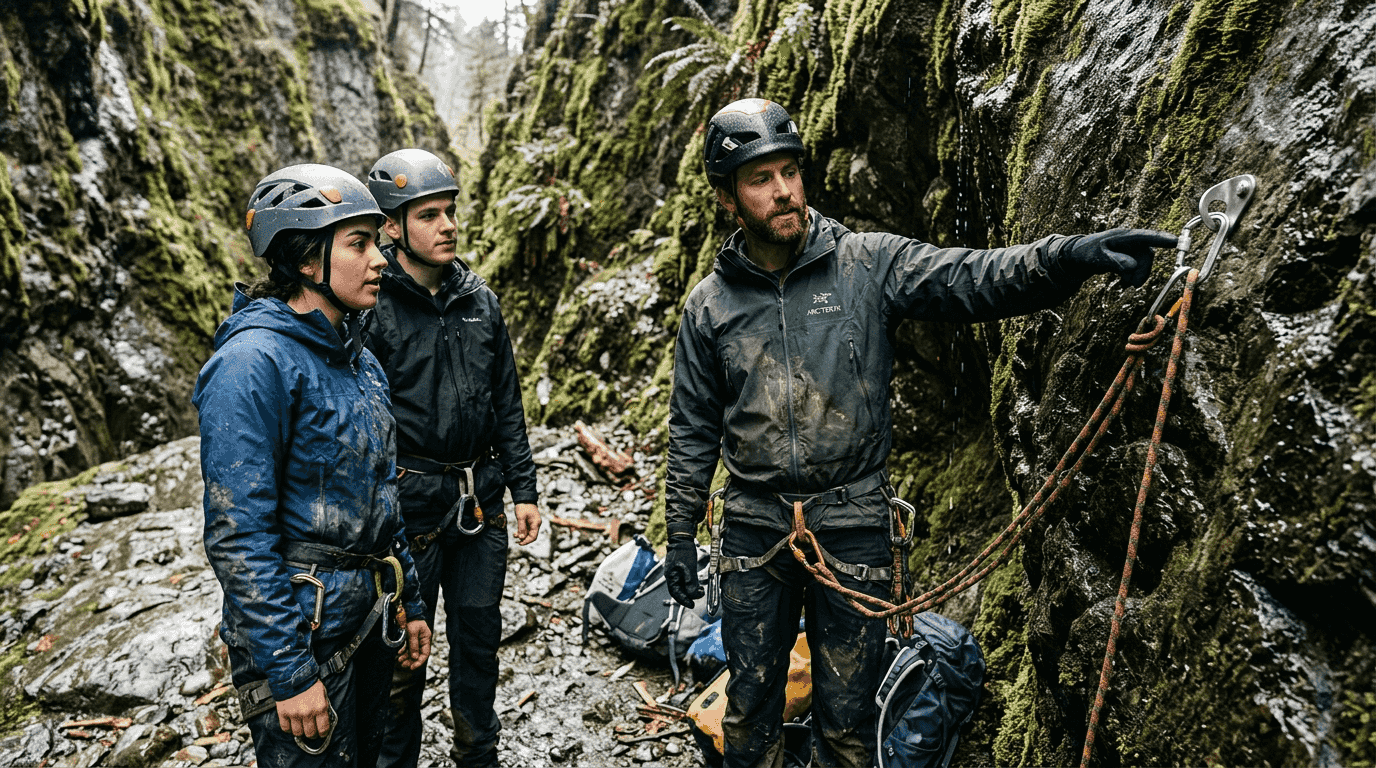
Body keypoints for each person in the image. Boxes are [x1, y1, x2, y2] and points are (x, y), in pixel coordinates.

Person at [662, 98, 1177, 768]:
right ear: (728, 197)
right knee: (751, 709)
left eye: (790, 170)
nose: (783, 189)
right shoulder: (709, 307)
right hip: (755, 531)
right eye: (761, 179)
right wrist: (678, 532)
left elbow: (976, 278)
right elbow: (693, 429)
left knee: (848, 719)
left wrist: (1072, 257)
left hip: (854, 523)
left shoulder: (866, 264)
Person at [194, 164, 433, 768]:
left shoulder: (359, 360)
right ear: (305, 260)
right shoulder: (251, 364)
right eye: (359, 244)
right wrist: (290, 672)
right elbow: (238, 536)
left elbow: (381, 493)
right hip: (305, 637)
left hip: (371, 617)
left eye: (377, 241)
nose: (380, 259)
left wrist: (411, 601)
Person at [362, 148, 542, 768]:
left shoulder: (479, 301)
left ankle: (477, 752)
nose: (448, 226)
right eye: (429, 216)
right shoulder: (371, 309)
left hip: (481, 502)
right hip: (410, 507)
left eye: (450, 212)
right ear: (392, 227)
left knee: (478, 640)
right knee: (402, 658)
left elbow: (507, 403)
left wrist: (525, 489)